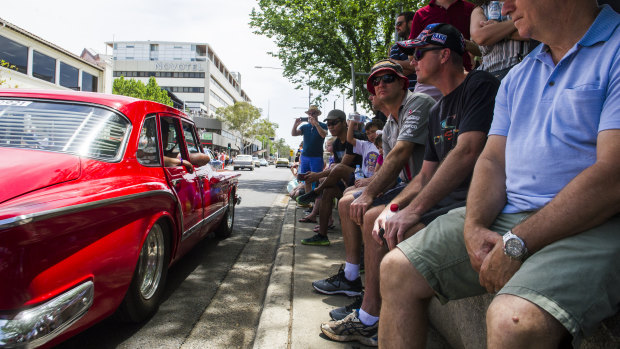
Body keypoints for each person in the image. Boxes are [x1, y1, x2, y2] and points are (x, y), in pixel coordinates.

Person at [380, 1, 620, 348]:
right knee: (395, 269)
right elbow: (492, 161)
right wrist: (475, 226)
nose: (504, 6)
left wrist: (518, 241)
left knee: (512, 322)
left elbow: (612, 176)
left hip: (592, 222)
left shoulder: (614, 50)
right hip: (510, 216)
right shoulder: (521, 74)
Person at [320, 24, 500, 346]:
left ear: (445, 55)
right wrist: (395, 209)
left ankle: (370, 315)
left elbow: (468, 151)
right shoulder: (438, 110)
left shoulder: (479, 84)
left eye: (419, 53)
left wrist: (407, 210)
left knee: (388, 234)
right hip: (445, 201)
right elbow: (425, 176)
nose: (412, 61)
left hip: (473, 200)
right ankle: (369, 313)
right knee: (380, 218)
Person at [311, 59, 435, 333]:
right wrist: (366, 189)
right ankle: (353, 278)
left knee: (370, 215)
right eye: (374, 81)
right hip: (408, 185)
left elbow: (402, 155)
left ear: (403, 81)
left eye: (387, 78)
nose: (379, 85)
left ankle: (370, 314)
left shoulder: (419, 104)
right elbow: (389, 167)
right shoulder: (390, 123)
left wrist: (368, 193)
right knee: (347, 201)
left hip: (427, 188)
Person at [298, 110, 362, 246]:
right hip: (346, 183)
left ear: (345, 123)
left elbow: (342, 166)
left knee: (337, 169)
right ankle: (322, 235)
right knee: (328, 192)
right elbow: (335, 169)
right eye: (329, 123)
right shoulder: (337, 143)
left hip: (361, 181)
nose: (331, 126)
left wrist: (318, 175)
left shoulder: (354, 138)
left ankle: (316, 192)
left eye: (334, 123)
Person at [407, 0, 478, 101]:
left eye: (419, 54)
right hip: (429, 82)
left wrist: (455, 40)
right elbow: (411, 54)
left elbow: (482, 50)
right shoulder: (421, 14)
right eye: (419, 54)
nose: (412, 63)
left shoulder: (471, 9)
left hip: (462, 78)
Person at [470, 0, 536, 80]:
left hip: (522, 70)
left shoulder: (523, 3)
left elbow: (534, 31)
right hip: (490, 75)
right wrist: (517, 22)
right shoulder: (480, 9)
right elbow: (480, 37)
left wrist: (496, 30)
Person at [291, 105, 328, 194]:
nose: (311, 115)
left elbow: (323, 135)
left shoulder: (323, 125)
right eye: (309, 113)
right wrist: (295, 124)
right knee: (306, 179)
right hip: (305, 157)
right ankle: (308, 200)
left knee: (316, 179)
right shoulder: (305, 127)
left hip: (316, 157)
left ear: (317, 114)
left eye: (313, 113)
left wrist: (316, 124)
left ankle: (316, 201)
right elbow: (294, 134)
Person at [389, 11, 417, 90]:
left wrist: (395, 62)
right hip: (406, 94)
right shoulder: (396, 47)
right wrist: (415, 67)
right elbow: (393, 73)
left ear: (411, 23)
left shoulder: (425, 43)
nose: (396, 27)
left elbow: (427, 66)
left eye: (399, 24)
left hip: (428, 92)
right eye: (396, 25)